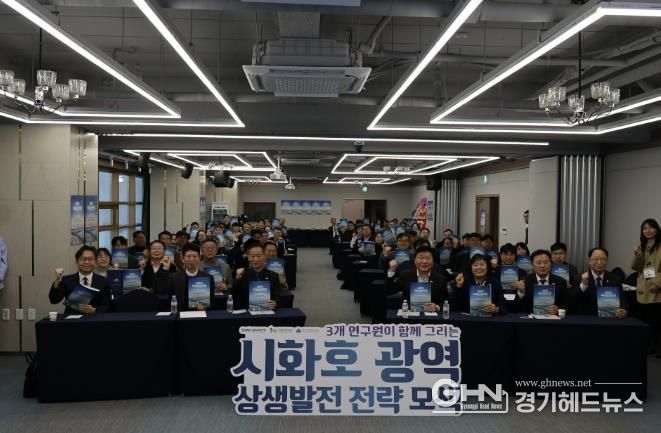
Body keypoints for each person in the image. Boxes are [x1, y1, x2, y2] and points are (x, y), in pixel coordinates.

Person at [49, 245, 111, 314]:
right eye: (83, 259)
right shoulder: (67, 280)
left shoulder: (103, 281)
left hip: (94, 318)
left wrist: (94, 310)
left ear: (95, 262)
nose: (87, 262)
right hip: (72, 319)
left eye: (90, 259)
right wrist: (57, 281)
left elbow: (107, 306)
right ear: (77, 262)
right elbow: (54, 300)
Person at [385, 246, 448, 313]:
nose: (424, 261)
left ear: (433, 261)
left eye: (428, 258)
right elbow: (389, 291)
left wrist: (437, 307)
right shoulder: (405, 276)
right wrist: (391, 271)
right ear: (414, 260)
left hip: (432, 316)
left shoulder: (440, 279)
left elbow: (445, 302)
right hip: (410, 315)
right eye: (420, 258)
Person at [632, 218, 661, 356]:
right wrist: (638, 254)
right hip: (644, 287)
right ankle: (651, 345)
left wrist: (657, 283)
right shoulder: (642, 246)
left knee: (658, 319)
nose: (647, 231)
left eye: (651, 227)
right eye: (644, 228)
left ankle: (659, 346)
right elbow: (637, 268)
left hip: (658, 288)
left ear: (657, 229)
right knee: (647, 319)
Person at [573, 247, 627, 318]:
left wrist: (624, 310)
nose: (599, 262)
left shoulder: (615, 279)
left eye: (603, 259)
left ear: (607, 261)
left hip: (610, 318)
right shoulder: (579, 278)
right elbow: (573, 301)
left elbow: (623, 301)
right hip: (587, 318)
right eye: (595, 259)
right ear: (589, 260)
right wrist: (583, 285)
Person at [513, 249, 567, 314]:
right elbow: (517, 306)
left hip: (552, 317)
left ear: (551, 264)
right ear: (532, 265)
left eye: (546, 262)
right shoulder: (525, 280)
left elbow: (565, 304)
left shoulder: (560, 282)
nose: (542, 266)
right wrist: (521, 292)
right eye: (538, 263)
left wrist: (558, 309)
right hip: (531, 317)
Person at [232, 241, 281, 311]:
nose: (255, 259)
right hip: (246, 313)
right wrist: (237, 279)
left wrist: (275, 303)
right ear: (248, 257)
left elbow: (277, 298)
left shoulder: (274, 276)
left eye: (259, 256)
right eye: (252, 256)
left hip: (267, 313)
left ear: (264, 256)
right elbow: (234, 299)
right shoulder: (242, 275)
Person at [167, 243, 215, 311]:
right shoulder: (174, 278)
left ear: (199, 258)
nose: (192, 259)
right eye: (188, 256)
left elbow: (212, 301)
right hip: (180, 314)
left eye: (195, 256)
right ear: (182, 258)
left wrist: (205, 307)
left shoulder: (208, 278)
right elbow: (170, 300)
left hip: (200, 314)